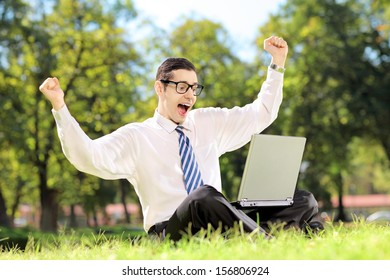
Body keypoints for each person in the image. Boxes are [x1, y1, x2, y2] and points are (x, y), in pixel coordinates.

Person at [39, 36, 323, 241]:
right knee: (204, 196)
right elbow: (87, 156)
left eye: (195, 88)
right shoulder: (136, 137)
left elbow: (260, 114)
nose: (190, 95)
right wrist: (60, 108)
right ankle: (266, 244)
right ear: (160, 88)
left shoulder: (207, 122)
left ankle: (310, 244)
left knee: (300, 200)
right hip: (169, 231)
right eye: (182, 86)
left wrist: (278, 64)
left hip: (216, 219)